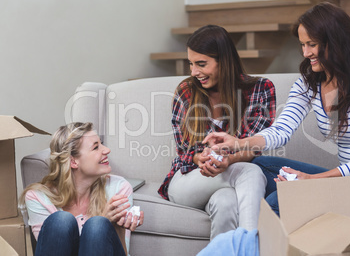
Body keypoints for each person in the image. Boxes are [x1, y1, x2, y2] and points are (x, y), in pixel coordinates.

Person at [203, 2, 350, 216]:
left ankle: (249, 242)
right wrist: (239, 143)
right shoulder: (308, 84)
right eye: (302, 45)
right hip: (349, 182)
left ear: (336, 42)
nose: (305, 53)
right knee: (259, 164)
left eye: (312, 44)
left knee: (279, 199)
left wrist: (311, 180)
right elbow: (281, 131)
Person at [157, 25, 276, 238]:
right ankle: (251, 246)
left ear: (225, 61)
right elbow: (184, 150)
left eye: (201, 64)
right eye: (191, 64)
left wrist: (227, 161)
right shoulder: (186, 90)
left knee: (226, 202)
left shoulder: (261, 89)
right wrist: (199, 157)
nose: (194, 72)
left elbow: (254, 145)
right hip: (189, 179)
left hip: (230, 177)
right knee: (251, 172)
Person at [19, 122, 144, 256]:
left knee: (97, 225)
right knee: (61, 220)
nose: (107, 150)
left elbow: (124, 252)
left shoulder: (118, 188)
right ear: (73, 161)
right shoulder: (38, 197)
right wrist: (103, 218)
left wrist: (115, 226)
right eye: (96, 147)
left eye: (101, 143)